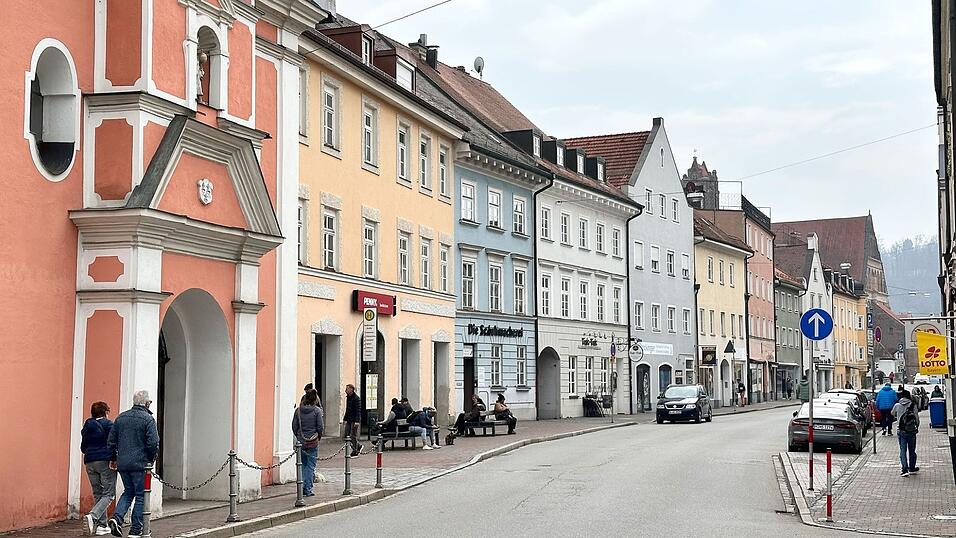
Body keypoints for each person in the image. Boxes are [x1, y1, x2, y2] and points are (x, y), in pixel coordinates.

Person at [106, 390, 159, 538]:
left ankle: (117, 518)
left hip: (123, 463)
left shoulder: (121, 418)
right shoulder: (148, 419)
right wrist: (151, 458)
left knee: (128, 492)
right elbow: (153, 442)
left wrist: (113, 458)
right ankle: (136, 529)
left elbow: (111, 441)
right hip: (140, 464)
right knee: (141, 495)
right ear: (147, 403)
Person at [81, 401, 115, 536]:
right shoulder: (109, 425)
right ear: (106, 412)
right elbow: (113, 443)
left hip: (89, 461)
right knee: (109, 493)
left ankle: (102, 526)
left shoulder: (87, 426)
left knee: (98, 493)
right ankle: (93, 516)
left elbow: (83, 447)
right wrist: (114, 458)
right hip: (104, 460)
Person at [292, 389, 324, 496]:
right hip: (312, 442)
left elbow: (294, 426)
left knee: (302, 465)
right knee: (310, 466)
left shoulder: (298, 411)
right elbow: (320, 427)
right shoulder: (317, 411)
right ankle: (308, 489)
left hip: (301, 441)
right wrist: (318, 436)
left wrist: (299, 435)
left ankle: (301, 487)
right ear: (315, 399)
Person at [891, 389, 920, 477]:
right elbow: (916, 418)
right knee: (912, 450)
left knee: (902, 451)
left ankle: (904, 469)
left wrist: (898, 415)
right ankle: (912, 467)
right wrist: (916, 427)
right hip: (911, 430)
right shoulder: (913, 405)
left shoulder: (897, 405)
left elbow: (892, 413)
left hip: (901, 430)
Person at [343, 384, 362, 456]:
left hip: (354, 420)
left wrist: (357, 421)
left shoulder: (356, 398)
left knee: (353, 435)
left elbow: (358, 410)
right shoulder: (348, 398)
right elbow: (347, 409)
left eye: (347, 389)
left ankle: (355, 450)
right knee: (346, 435)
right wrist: (345, 419)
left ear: (351, 389)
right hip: (349, 419)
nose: (345, 390)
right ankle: (358, 446)